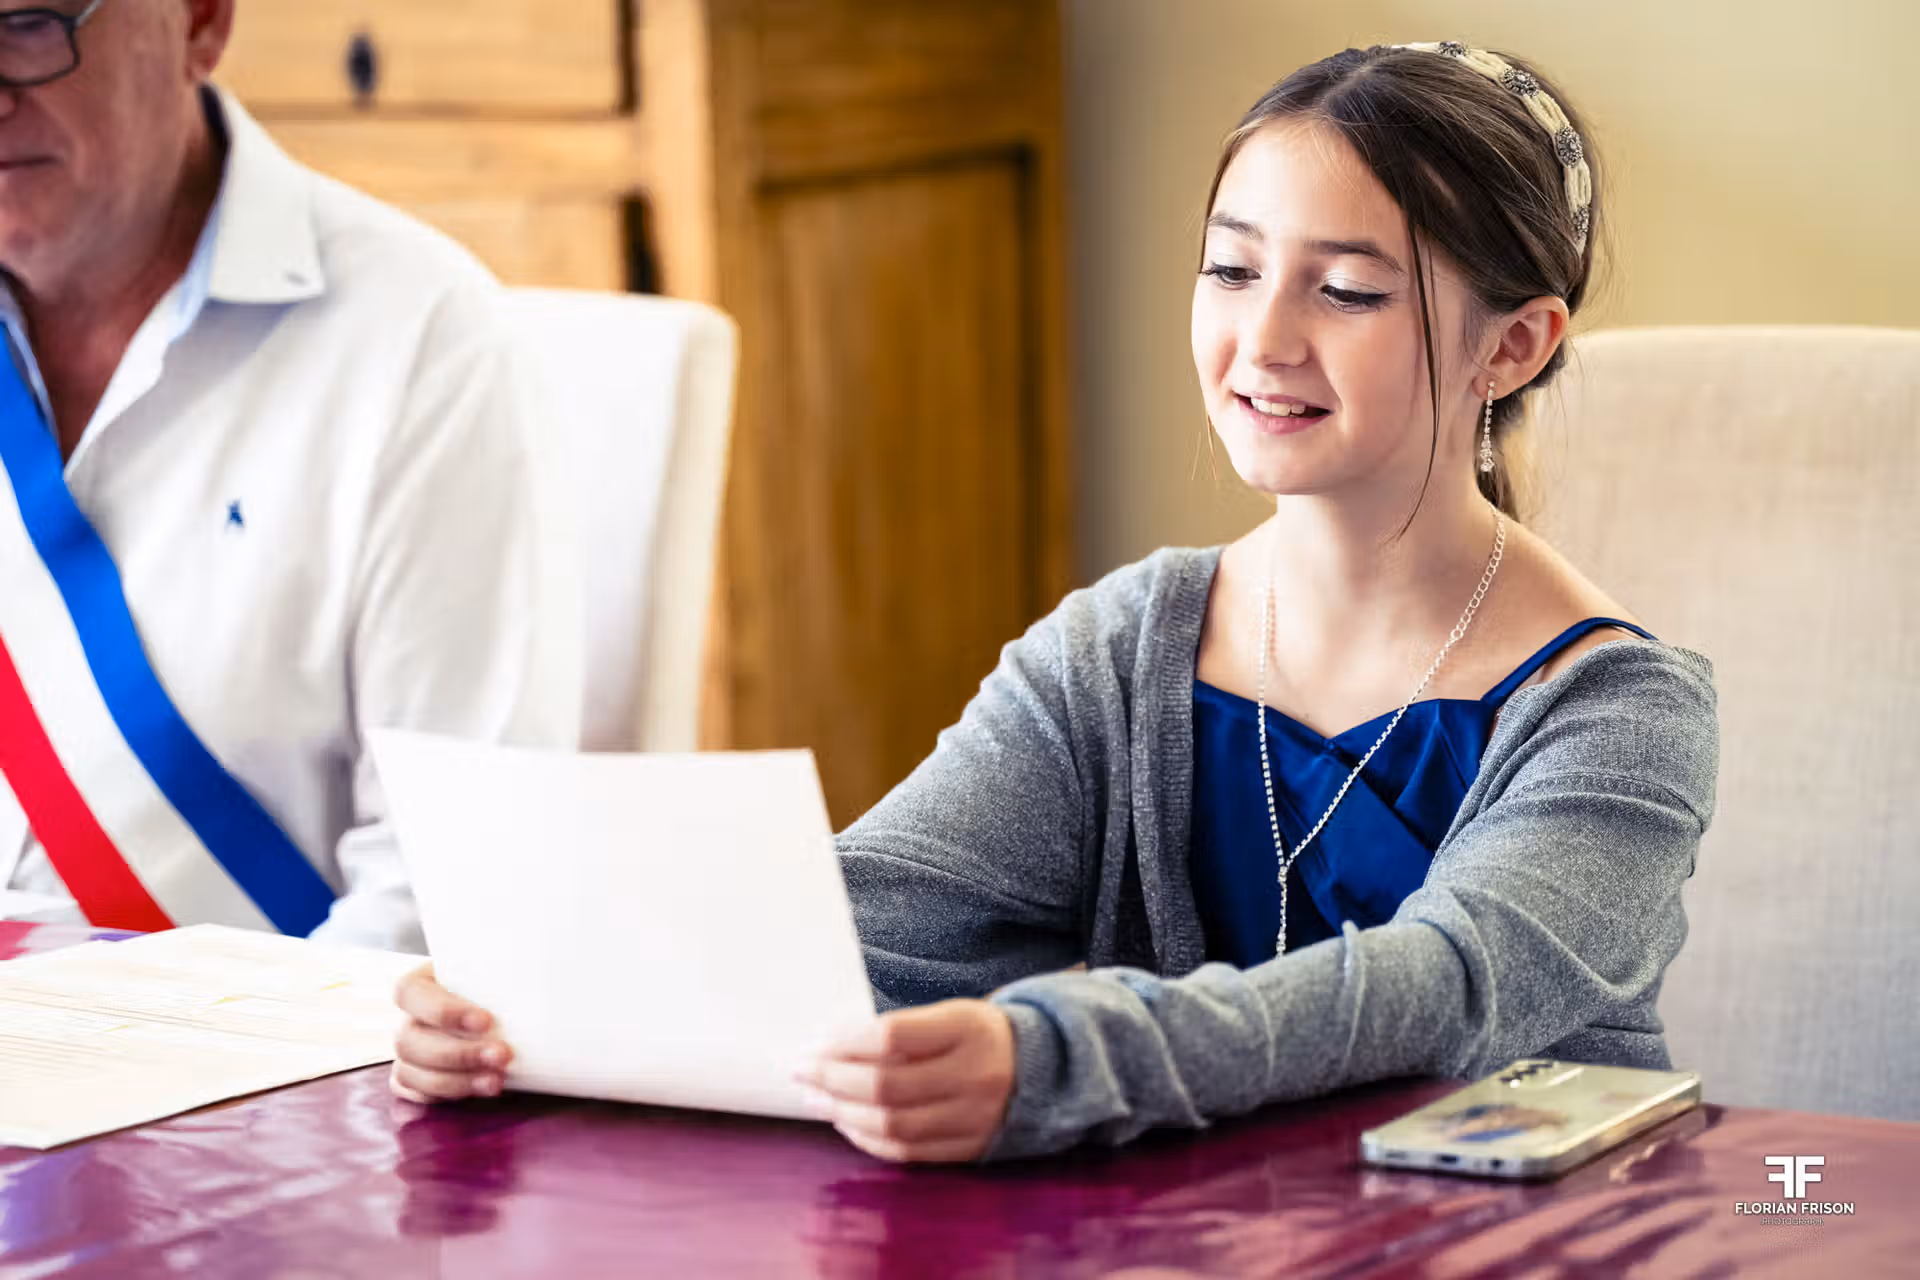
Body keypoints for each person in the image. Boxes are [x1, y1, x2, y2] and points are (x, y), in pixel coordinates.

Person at [391, 43, 1718, 1161]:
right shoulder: (1123, 650)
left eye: (1348, 290)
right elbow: (864, 922)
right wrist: (535, 996)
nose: (1263, 340)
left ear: (1514, 344)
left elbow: (1446, 993)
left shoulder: (1622, 713)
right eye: (1233, 269)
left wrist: (1057, 1056)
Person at [0, 0, 578, 950]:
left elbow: (451, 897)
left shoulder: (422, 348)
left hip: (267, 1034)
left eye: (28, 20)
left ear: (201, 21)